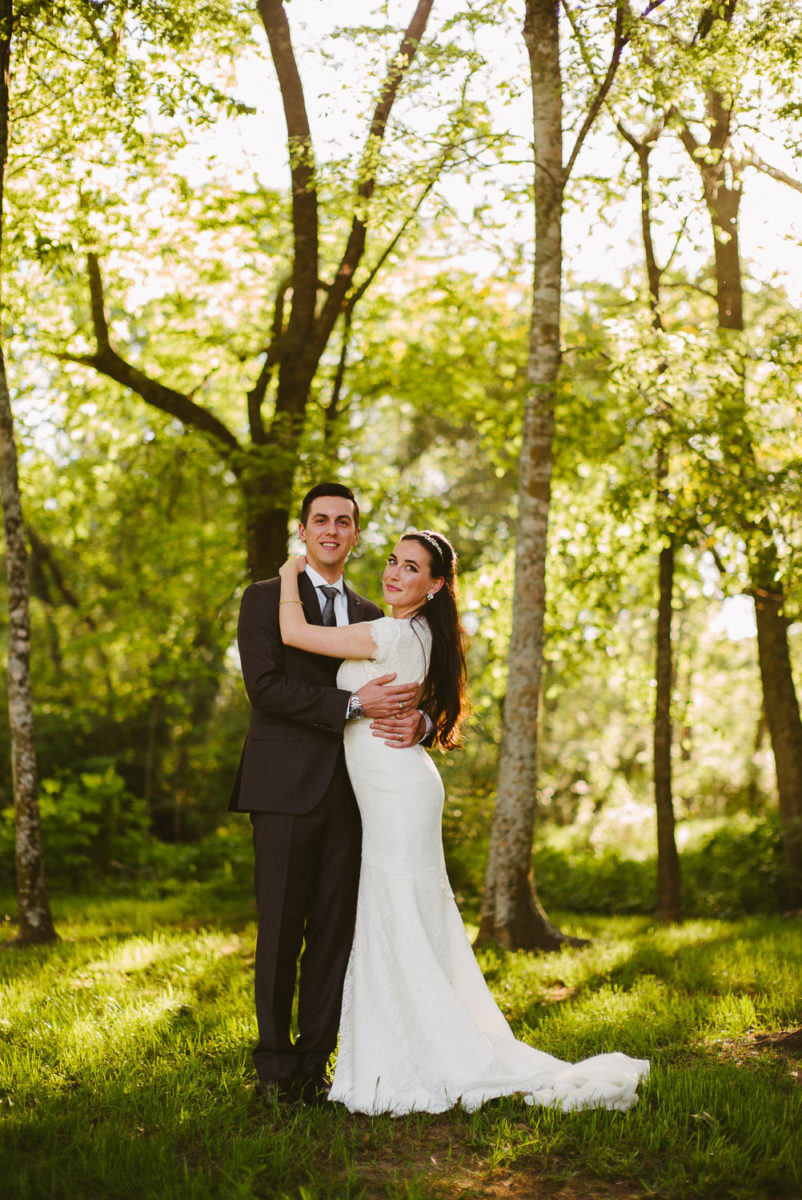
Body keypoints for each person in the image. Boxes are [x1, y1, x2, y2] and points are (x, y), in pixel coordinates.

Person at [277, 529, 650, 1115]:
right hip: (402, 784)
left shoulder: (394, 631)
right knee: (407, 914)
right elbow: (429, 701)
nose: (394, 574)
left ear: (435, 585)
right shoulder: (427, 633)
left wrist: (286, 574)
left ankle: (417, 1052)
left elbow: (293, 633)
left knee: (396, 911)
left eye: (411, 568)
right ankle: (411, 1039)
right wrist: (424, 723)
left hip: (398, 793)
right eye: (393, 562)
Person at [229, 483, 426, 1105]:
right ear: (305, 530)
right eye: (321, 520)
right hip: (283, 790)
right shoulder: (264, 600)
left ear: (357, 535)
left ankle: (316, 1064)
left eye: (344, 522)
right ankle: (273, 1067)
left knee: (335, 935)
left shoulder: (376, 612)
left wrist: (421, 721)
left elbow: (416, 677)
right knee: (281, 931)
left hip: (354, 795)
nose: (332, 531)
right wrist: (349, 704)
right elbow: (264, 688)